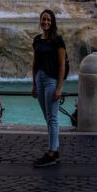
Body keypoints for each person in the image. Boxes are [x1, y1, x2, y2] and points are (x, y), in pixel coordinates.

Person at [31, 9, 66, 168]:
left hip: (52, 81)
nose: (46, 22)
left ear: (52, 23)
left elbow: (61, 65)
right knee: (48, 117)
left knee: (52, 118)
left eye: (49, 20)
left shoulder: (58, 40)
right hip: (39, 79)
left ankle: (51, 152)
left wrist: (59, 87)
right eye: (44, 19)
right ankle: (55, 149)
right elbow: (35, 63)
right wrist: (33, 84)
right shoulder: (37, 40)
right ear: (40, 21)